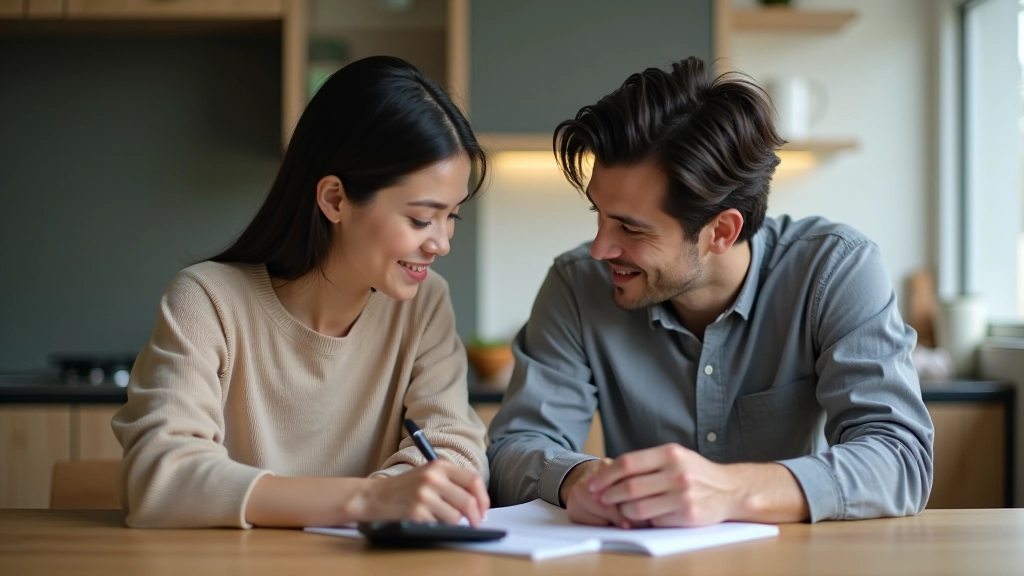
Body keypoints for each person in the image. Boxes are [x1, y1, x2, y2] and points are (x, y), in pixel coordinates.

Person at [487, 57, 934, 526]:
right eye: (598, 214)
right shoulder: (576, 285)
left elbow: (900, 459)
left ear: (721, 231)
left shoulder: (835, 269)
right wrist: (579, 479)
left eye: (631, 229)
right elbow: (513, 449)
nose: (600, 248)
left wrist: (731, 492)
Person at [112, 56, 491, 529]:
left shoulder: (425, 303)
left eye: (451, 215)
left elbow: (456, 450)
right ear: (334, 199)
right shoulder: (206, 300)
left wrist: (403, 494)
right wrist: (368, 500)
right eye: (420, 218)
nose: (441, 243)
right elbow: (160, 476)